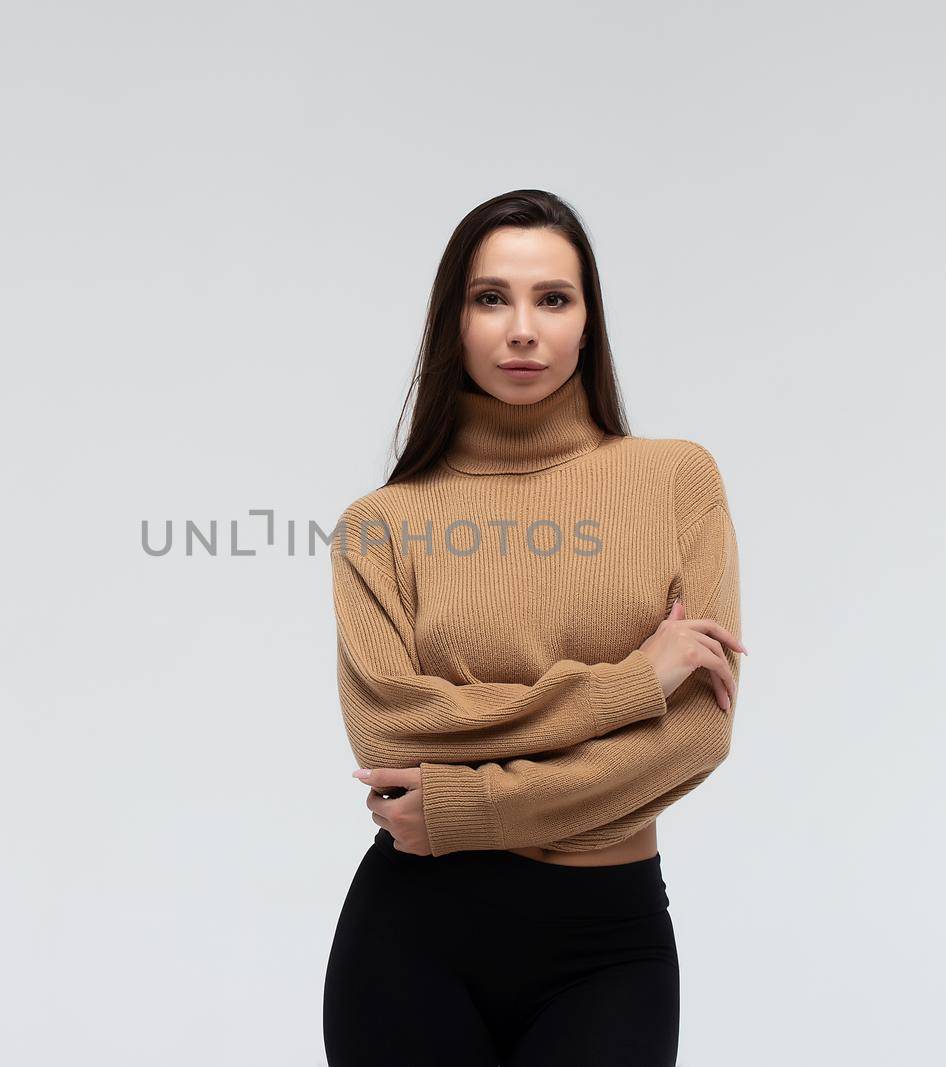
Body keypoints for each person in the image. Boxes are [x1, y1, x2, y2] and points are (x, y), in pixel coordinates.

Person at [321, 189, 747, 1066]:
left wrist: (467, 806)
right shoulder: (380, 524)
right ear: (455, 323)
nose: (523, 328)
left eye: (553, 298)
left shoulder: (675, 481)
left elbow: (699, 732)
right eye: (492, 298)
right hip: (412, 941)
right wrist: (633, 685)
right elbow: (394, 728)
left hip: (607, 946)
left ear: (588, 321)